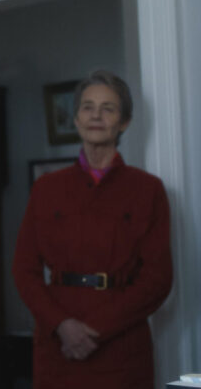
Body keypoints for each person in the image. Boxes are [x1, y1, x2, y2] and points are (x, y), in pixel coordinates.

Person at [12, 70, 172, 389]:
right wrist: (63, 326)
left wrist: (96, 328)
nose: (96, 115)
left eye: (108, 108)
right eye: (87, 107)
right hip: (57, 346)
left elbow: (157, 280)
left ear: (124, 122)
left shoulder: (147, 190)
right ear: (76, 119)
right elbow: (23, 270)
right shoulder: (47, 188)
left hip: (121, 347)